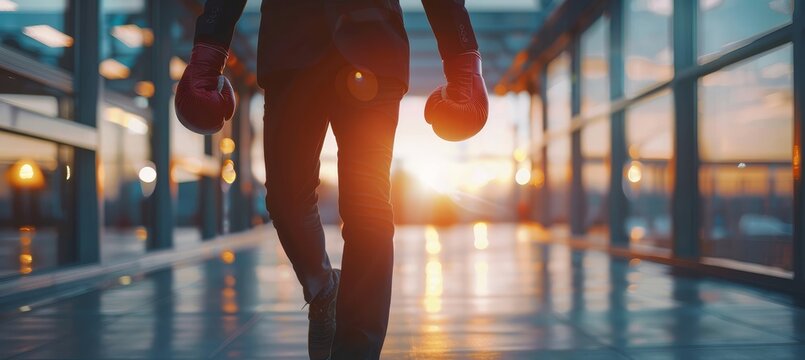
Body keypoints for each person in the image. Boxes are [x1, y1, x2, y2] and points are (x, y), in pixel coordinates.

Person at [174, 1, 488, 359]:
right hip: (291, 44)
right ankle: (324, 288)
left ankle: (356, 352)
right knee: (285, 198)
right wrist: (208, 50)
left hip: (374, 47)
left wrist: (462, 57)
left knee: (367, 204)